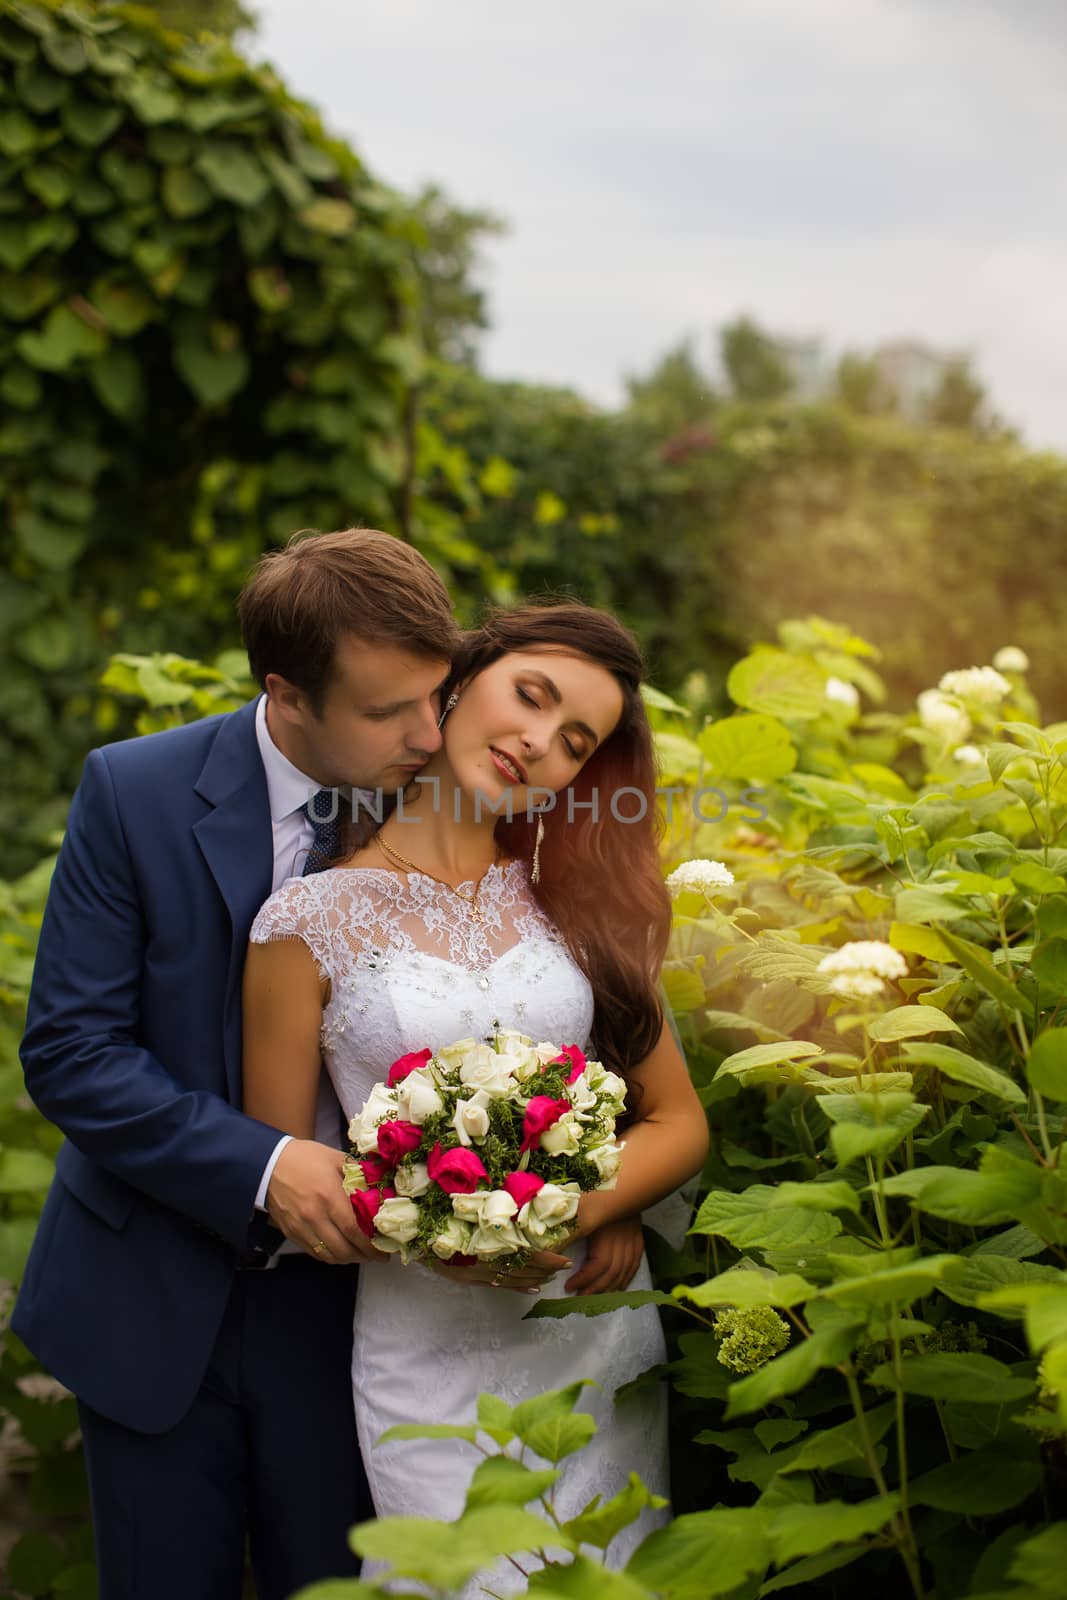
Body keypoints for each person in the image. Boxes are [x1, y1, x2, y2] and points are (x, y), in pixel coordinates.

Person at [13, 529, 459, 1599]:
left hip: (364, 1314)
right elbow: (71, 1049)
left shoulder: (449, 805)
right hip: (153, 1295)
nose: (427, 732)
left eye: (436, 695)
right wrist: (263, 1165)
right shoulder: (133, 791)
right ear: (286, 693)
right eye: (388, 710)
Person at [242, 600, 711, 1593]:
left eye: (573, 740)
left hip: (589, 1329)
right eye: (528, 695)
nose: (536, 741)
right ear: (460, 680)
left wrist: (589, 1204)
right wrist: (440, 1234)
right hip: (424, 1346)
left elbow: (676, 1120)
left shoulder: (583, 904)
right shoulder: (301, 921)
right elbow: (284, 1174)